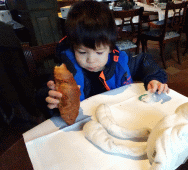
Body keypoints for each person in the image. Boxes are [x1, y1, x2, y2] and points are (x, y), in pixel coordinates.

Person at [36, 1, 169, 118]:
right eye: (82, 52)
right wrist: (49, 98)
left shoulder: (119, 62)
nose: (91, 60)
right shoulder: (66, 71)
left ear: (110, 48)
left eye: (99, 52)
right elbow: (41, 94)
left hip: (119, 116)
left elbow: (144, 60)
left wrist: (154, 79)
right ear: (73, 47)